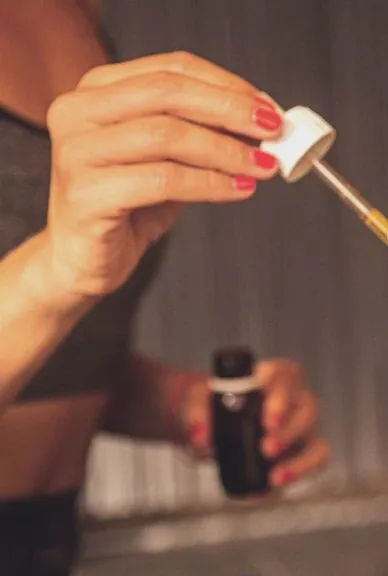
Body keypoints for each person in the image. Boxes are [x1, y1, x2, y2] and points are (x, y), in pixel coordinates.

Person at [0, 1, 330, 574]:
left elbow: (60, 362)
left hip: (49, 538)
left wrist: (187, 406)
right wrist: (56, 268)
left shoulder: (82, 22)